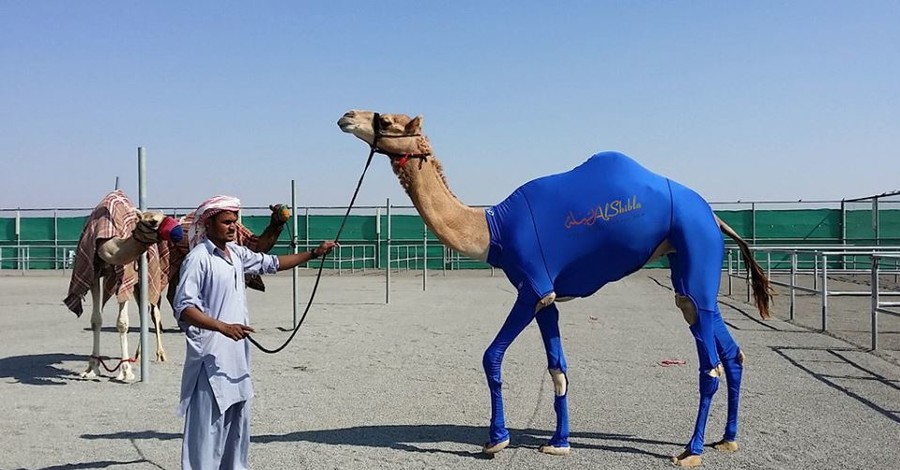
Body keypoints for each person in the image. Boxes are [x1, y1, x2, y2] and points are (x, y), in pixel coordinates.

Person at [173, 195, 335, 470]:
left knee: (238, 428)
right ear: (208, 224)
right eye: (226, 222)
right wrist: (223, 327)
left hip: (237, 355)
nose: (233, 226)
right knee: (206, 431)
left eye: (235, 221)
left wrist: (313, 254)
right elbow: (184, 308)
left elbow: (271, 262)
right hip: (210, 357)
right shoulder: (198, 259)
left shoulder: (236, 253)